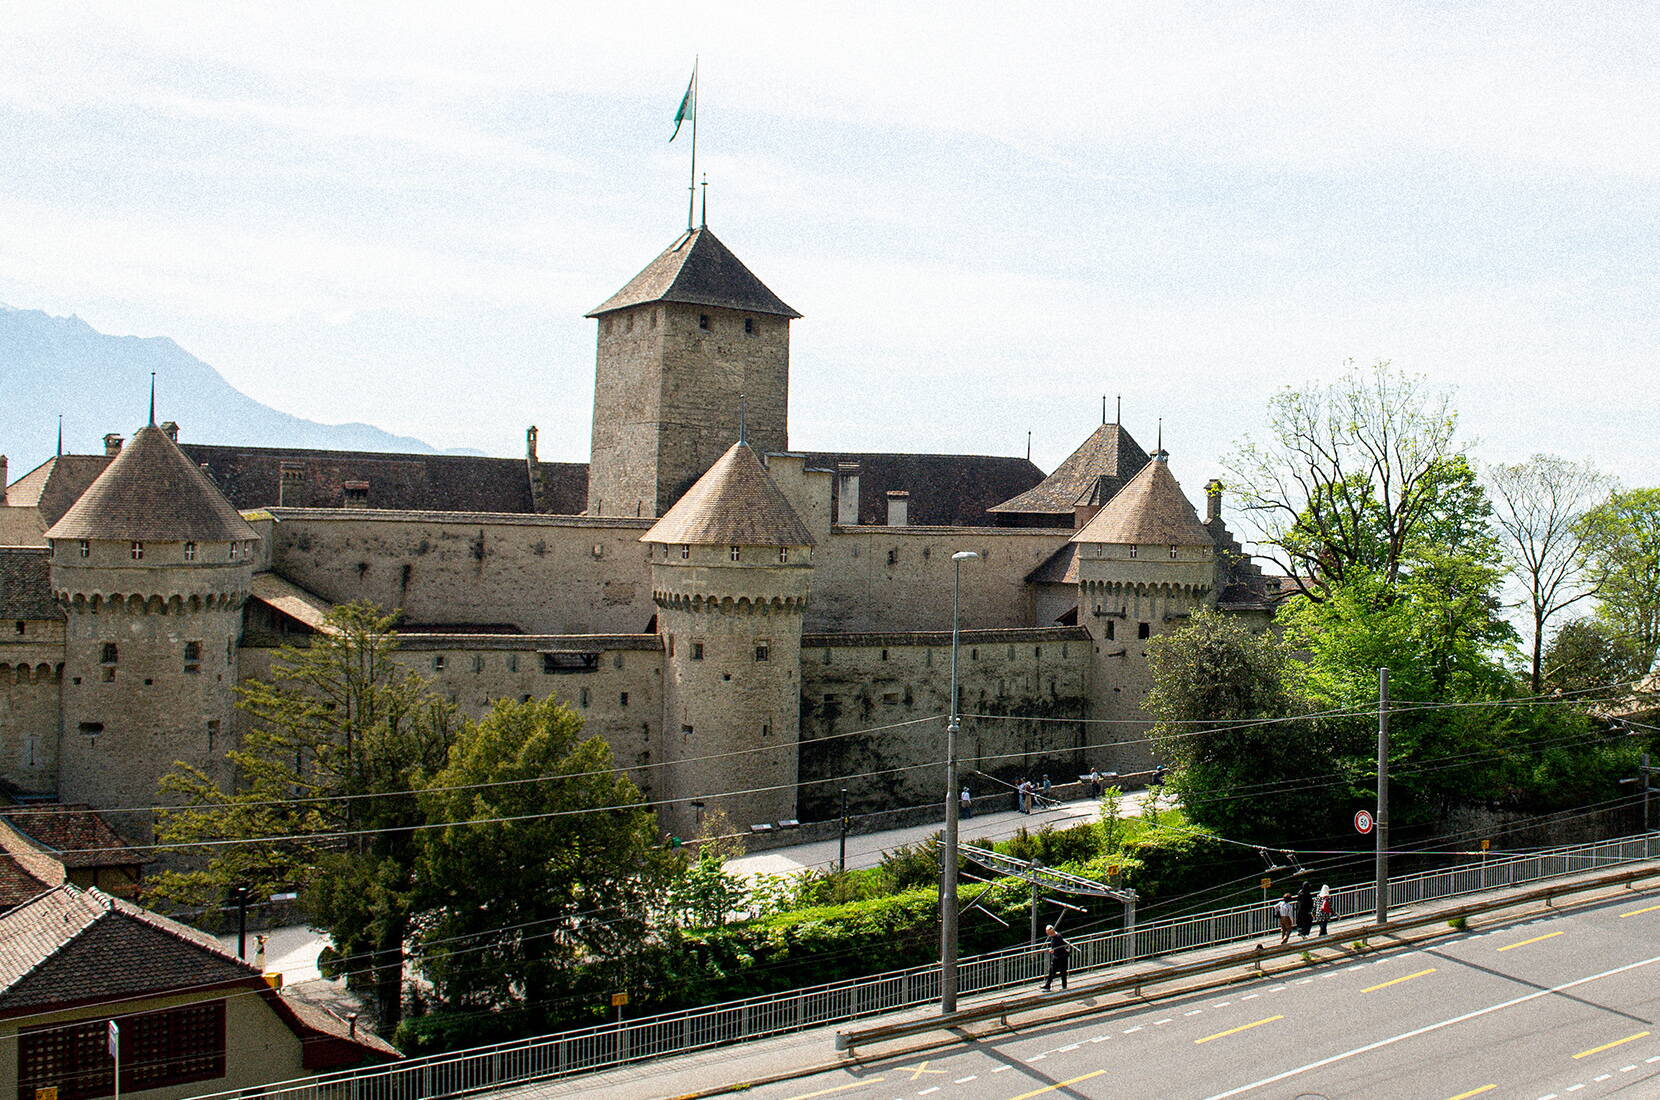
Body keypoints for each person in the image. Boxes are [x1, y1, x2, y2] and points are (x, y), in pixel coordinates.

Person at [1041, 924, 1071, 992]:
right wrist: (1053, 950)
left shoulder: (1058, 936)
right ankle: (1048, 986)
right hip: (1057, 957)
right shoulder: (1053, 937)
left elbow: (1061, 947)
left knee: (1062, 971)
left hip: (1061, 957)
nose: (1047, 933)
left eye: (1048, 932)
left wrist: (1054, 950)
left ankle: (1064, 986)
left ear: (1051, 931)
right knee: (1052, 971)